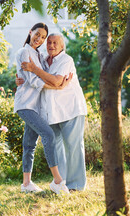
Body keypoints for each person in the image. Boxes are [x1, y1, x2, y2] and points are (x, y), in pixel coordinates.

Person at [18, 33, 87, 191]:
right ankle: (60, 183)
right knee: (56, 147)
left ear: (62, 46)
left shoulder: (66, 60)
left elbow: (56, 80)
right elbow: (32, 77)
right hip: (52, 111)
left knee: (73, 146)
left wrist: (34, 69)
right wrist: (20, 78)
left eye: (56, 43)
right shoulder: (42, 59)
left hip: (71, 109)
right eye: (49, 42)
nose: (52, 45)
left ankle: (76, 185)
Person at [14, 23, 71, 194]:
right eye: (37, 34)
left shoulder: (38, 54)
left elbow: (42, 74)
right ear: (30, 32)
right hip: (25, 105)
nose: (39, 39)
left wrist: (57, 81)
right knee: (48, 134)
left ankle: (26, 184)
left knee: (29, 145)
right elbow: (32, 80)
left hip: (35, 107)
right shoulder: (25, 51)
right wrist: (57, 87)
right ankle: (57, 180)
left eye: (43, 37)